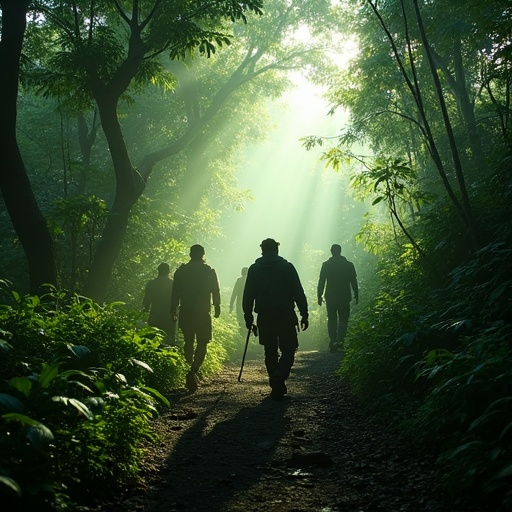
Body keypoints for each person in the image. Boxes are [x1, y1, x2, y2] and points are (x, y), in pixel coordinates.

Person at [243, 238, 308, 400]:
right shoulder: (287, 267)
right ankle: (280, 376)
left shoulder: (254, 269)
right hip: (286, 315)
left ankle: (275, 378)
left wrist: (248, 316)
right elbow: (298, 292)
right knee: (289, 349)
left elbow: (248, 296)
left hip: (265, 316)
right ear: (276, 250)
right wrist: (304, 313)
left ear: (262, 250)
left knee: (270, 351)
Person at [170, 244, 221, 392]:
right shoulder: (209, 271)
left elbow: (175, 293)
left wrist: (172, 309)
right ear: (203, 255)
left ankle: (188, 367)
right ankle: (193, 370)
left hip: (186, 312)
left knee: (188, 341)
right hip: (202, 312)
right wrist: (217, 306)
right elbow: (215, 290)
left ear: (190, 254)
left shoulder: (181, 271)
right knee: (203, 342)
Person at [317, 244, 358, 352]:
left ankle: (333, 340)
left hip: (331, 296)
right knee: (344, 318)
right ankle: (340, 339)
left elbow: (322, 281)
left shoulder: (326, 265)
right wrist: (356, 294)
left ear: (331, 251)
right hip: (344, 296)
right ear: (340, 251)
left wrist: (319, 295)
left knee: (332, 319)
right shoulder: (348, 265)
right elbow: (353, 281)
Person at [142, 262, 176, 344]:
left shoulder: (151, 284)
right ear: (169, 272)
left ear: (158, 271)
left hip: (154, 314)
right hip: (169, 316)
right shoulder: (173, 284)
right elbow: (177, 301)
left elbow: (146, 302)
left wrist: (145, 310)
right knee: (168, 338)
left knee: (152, 338)